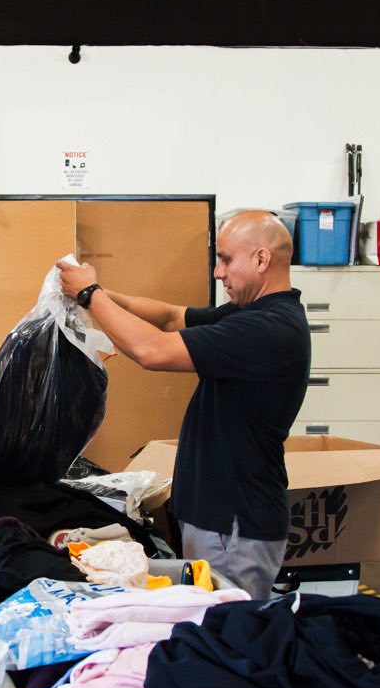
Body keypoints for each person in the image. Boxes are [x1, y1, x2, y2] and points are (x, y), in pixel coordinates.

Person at [57, 210, 310, 599]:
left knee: (225, 637)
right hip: (222, 519)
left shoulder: (268, 330)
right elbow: (171, 317)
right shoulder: (249, 314)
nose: (217, 272)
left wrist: (90, 295)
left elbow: (151, 350)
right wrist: (97, 295)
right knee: (211, 634)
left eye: (225, 259)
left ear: (261, 259)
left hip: (233, 525)